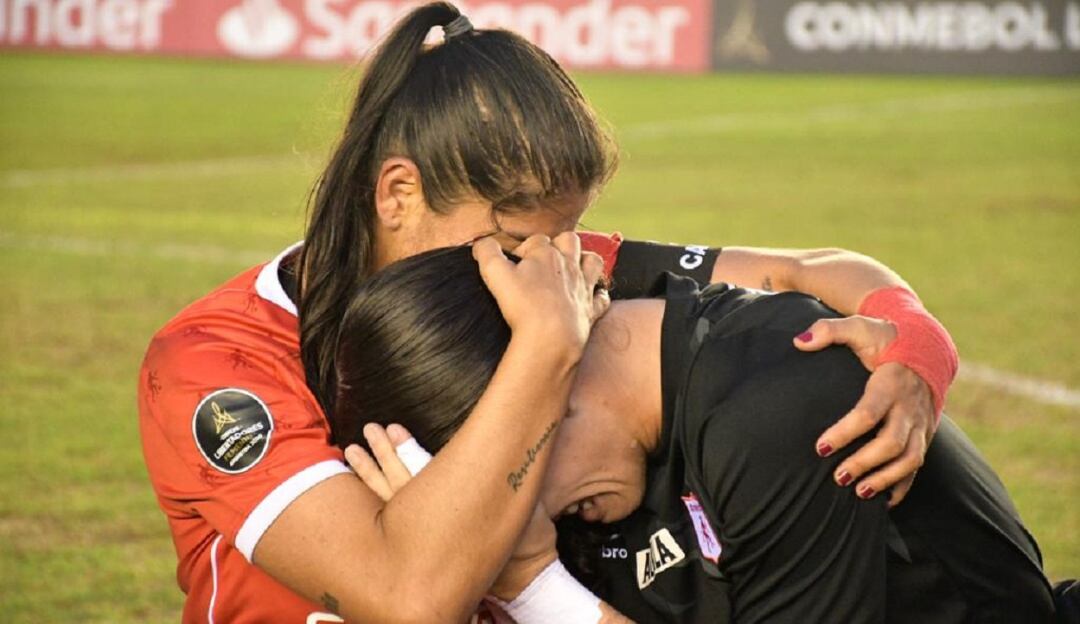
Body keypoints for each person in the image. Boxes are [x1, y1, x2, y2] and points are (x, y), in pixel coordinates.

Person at [138, 2, 958, 621]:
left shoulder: (535, 264)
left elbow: (806, 270)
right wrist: (545, 347)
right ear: (397, 193)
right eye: (519, 235)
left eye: (565, 235)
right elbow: (405, 597)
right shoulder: (219, 362)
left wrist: (916, 346)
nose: (557, 263)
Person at [332, 245, 1056, 624]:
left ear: (548, 374)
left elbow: (805, 267)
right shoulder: (563, 323)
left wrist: (533, 587)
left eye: (502, 477)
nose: (517, 516)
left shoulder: (785, 407)